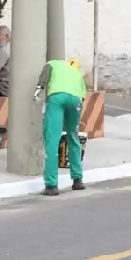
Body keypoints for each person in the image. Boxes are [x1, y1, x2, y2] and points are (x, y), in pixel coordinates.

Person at [33, 59, 87, 196]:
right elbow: (82, 98)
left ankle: (51, 185)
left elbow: (44, 78)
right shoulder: (76, 73)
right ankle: (78, 180)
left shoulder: (53, 63)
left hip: (57, 97)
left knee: (52, 139)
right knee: (73, 137)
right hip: (76, 100)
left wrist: (39, 89)